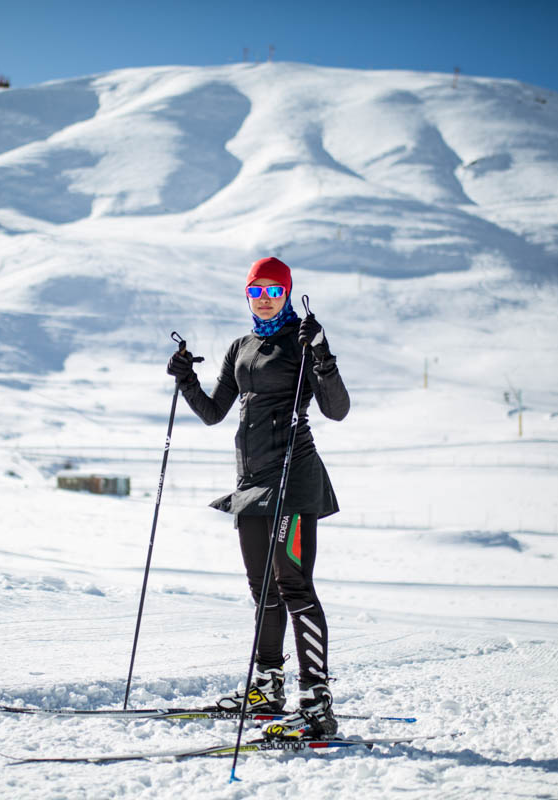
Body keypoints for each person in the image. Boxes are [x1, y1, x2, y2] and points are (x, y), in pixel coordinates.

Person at [166, 256, 350, 740]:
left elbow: (337, 410)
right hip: (250, 487)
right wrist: (185, 378)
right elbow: (212, 412)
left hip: (294, 482)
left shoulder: (302, 344)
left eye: (274, 290)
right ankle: (267, 688)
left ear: (288, 293)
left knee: (295, 588)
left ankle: (316, 703)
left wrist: (324, 357)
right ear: (247, 296)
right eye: (256, 291)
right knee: (263, 591)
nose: (265, 298)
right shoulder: (240, 347)